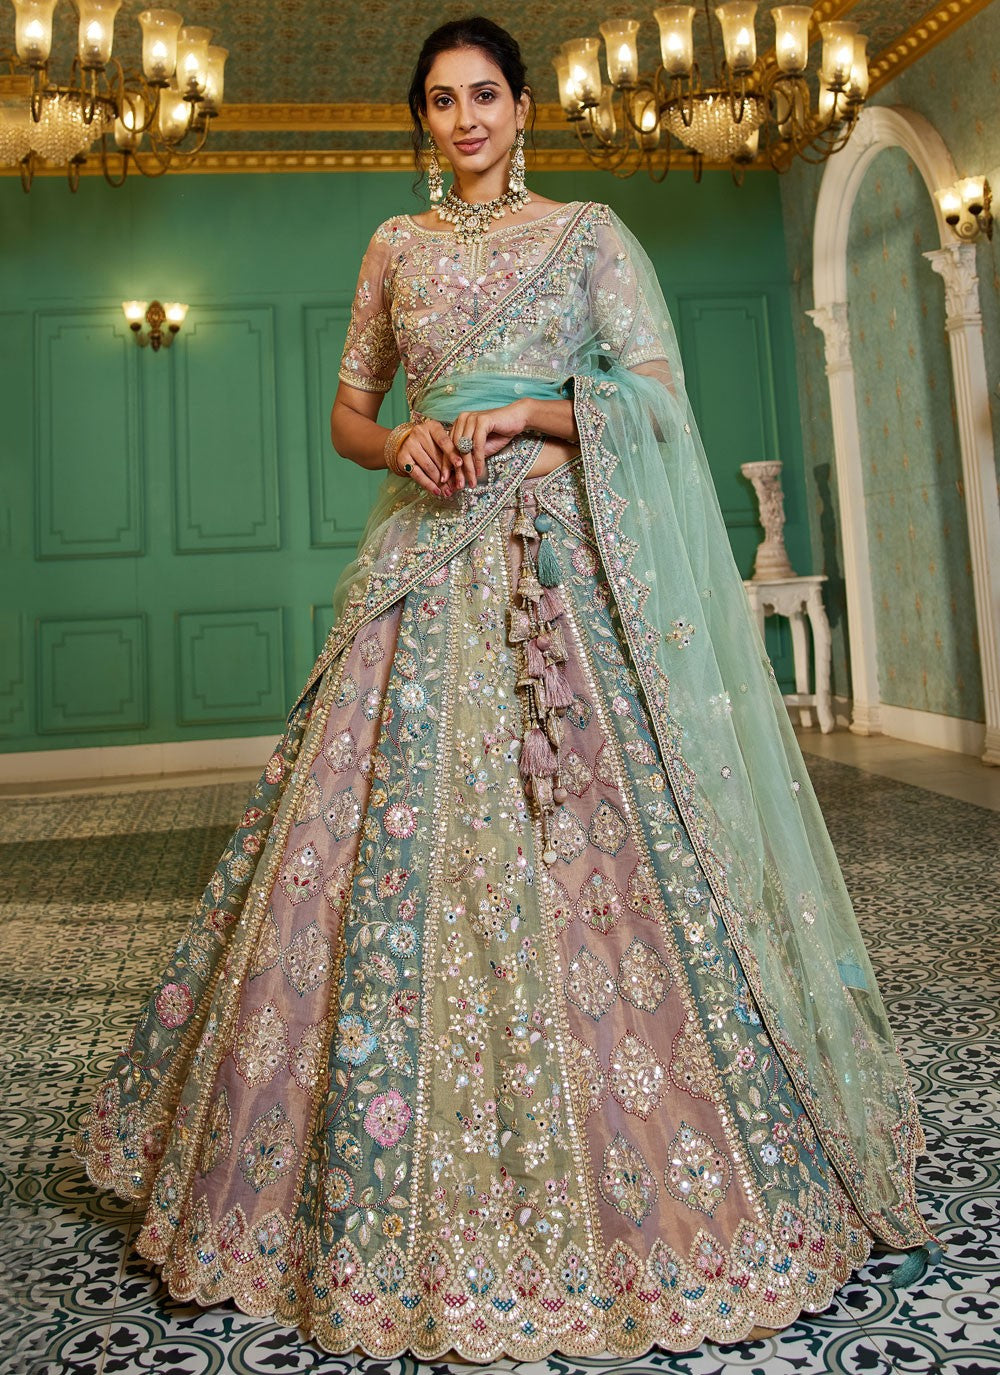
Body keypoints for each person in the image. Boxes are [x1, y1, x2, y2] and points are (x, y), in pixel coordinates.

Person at [73, 16, 935, 1364]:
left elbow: (659, 405)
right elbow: (349, 416)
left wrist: (531, 415)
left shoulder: (589, 237)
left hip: (558, 574)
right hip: (421, 567)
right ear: (422, 120)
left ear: (525, 107)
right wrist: (404, 442)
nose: (465, 118)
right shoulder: (394, 249)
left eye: (485, 95)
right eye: (440, 100)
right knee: (376, 856)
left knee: (602, 846)